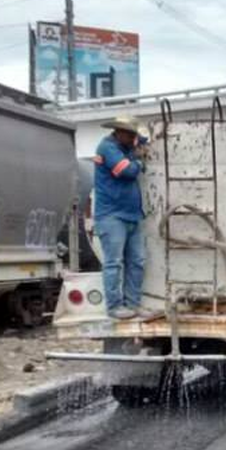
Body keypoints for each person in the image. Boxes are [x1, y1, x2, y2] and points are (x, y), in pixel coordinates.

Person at [93, 116, 153, 319]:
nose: (133, 138)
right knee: (114, 263)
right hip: (112, 216)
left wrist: (143, 141)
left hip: (131, 215)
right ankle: (114, 307)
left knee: (137, 261)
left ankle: (133, 305)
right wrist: (139, 161)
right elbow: (125, 171)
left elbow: (142, 143)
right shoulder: (107, 148)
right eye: (131, 134)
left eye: (134, 134)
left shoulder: (125, 145)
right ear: (119, 132)